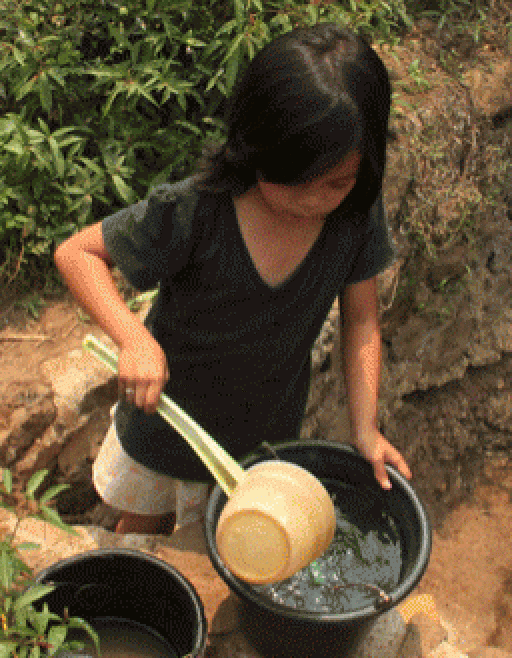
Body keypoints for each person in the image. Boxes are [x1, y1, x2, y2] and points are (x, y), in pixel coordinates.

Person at [54, 22, 412, 537]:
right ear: (255, 147)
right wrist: (134, 339)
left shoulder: (355, 213)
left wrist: (365, 429)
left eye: (335, 182)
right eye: (294, 184)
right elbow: (77, 253)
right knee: (145, 528)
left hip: (262, 437)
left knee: (238, 538)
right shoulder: (198, 210)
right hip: (167, 425)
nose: (314, 202)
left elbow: (361, 320)